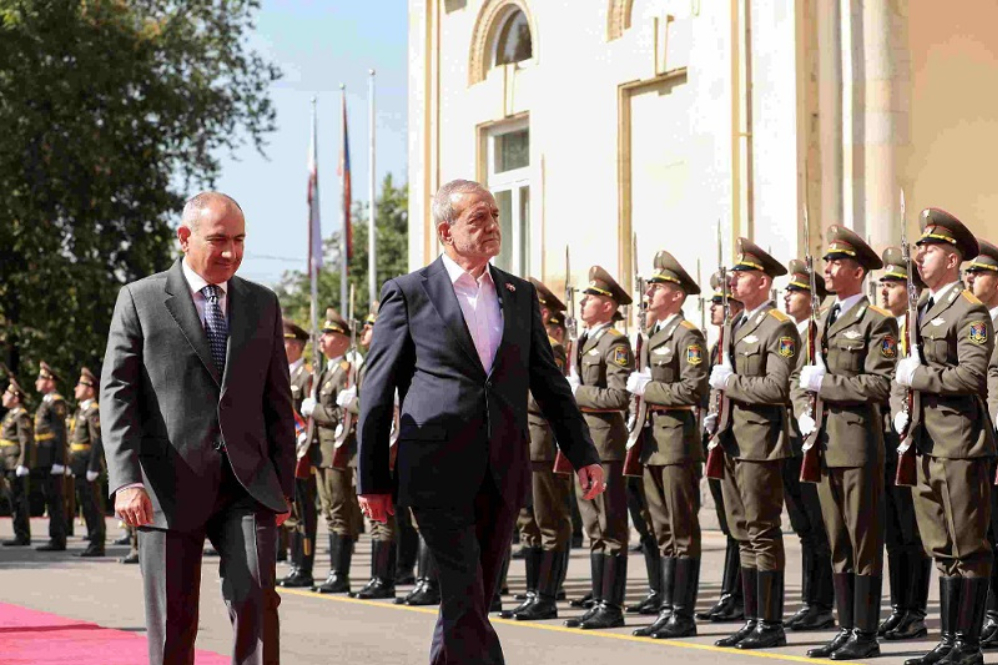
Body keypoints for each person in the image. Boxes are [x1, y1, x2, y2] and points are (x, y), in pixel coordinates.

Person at [357, 179, 604, 665]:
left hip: (502, 467)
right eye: (480, 219)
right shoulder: (409, 293)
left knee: (470, 599)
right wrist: (373, 479)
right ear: (447, 231)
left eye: (494, 215)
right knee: (464, 590)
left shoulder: (517, 293)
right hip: (435, 468)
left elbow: (548, 381)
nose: (493, 225)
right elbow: (376, 389)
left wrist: (582, 453)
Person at [100, 191, 295, 665]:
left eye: (240, 240)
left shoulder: (261, 303)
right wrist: (126, 481)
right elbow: (117, 394)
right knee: (173, 626)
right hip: (167, 490)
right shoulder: (141, 300)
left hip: (247, 487)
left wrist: (282, 487)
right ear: (184, 238)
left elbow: (278, 402)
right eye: (219, 240)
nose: (231, 252)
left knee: (257, 604)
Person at [892, 209, 994, 665]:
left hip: (958, 444)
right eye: (919, 248)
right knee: (942, 546)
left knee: (967, 545)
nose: (919, 255)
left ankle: (967, 646)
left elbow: (972, 376)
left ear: (952, 260)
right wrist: (901, 405)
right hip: (926, 443)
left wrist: (921, 375)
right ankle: (950, 641)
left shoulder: (969, 311)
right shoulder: (922, 310)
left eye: (928, 249)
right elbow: (906, 374)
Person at [791, 227, 894, 660]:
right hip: (822, 442)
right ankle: (846, 626)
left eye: (835, 263)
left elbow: (878, 383)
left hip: (857, 444)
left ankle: (865, 633)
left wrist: (827, 385)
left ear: (857, 271)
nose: (827, 270)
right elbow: (799, 377)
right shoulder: (820, 321)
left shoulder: (877, 321)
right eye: (826, 262)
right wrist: (801, 410)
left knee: (862, 538)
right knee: (836, 538)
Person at [709, 239, 799, 650]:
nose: (734, 279)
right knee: (743, 532)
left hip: (760, 441)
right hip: (730, 438)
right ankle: (752, 618)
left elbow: (777, 387)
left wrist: (732, 384)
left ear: (762, 281)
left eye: (742, 274)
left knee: (763, 532)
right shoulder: (735, 324)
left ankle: (770, 622)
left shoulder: (778, 326)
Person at [626, 251, 708, 639]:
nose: (650, 291)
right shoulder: (653, 335)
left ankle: (683, 613)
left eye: (657, 286)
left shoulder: (686, 335)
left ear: (676, 295)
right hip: (651, 442)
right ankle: (667, 607)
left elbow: (694, 388)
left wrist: (650, 389)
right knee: (661, 529)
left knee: (681, 528)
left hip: (676, 442)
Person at [563, 265, 634, 631]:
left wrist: (576, 392)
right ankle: (599, 599)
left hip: (605, 445)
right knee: (593, 526)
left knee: (610, 525)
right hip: (584, 445)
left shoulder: (615, 343)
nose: (584, 301)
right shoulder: (585, 341)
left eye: (591, 297)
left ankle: (612, 603)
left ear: (608, 305)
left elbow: (618, 395)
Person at [505, 279, 573, 621]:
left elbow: (548, 397)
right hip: (520, 443)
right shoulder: (521, 343)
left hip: (542, 445)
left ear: (541, 311)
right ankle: (533, 591)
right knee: (528, 522)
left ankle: (547, 594)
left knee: (550, 521)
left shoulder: (551, 348)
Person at [877, 247, 932, 642]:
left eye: (893, 283)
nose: (884, 289)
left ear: (911, 289)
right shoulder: (885, 328)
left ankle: (915, 610)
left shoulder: (916, 326)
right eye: (882, 282)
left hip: (913, 438)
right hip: (884, 437)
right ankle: (898, 608)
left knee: (913, 530)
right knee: (893, 531)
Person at [780, 260, 835, 632]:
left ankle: (822, 602)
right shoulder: (793, 332)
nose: (787, 295)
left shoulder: (814, 332)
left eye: (796, 290)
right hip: (788, 438)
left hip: (815, 438)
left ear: (814, 298)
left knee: (820, 527)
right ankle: (810, 600)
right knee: (803, 526)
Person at [300, 308, 360, 594]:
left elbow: (339, 415)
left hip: (336, 451)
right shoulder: (327, 371)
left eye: (328, 334)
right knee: (329, 510)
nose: (321, 339)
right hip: (321, 452)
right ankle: (335, 572)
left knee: (338, 510)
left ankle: (340, 573)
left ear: (343, 339)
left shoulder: (347, 372)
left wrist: (317, 410)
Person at [698, 272, 746, 623]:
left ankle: (740, 596)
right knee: (730, 521)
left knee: (743, 524)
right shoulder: (717, 342)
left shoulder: (734, 339)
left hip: (740, 437)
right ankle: (731, 593)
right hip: (716, 435)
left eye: (720, 300)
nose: (714, 306)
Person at [344, 308, 399, 601]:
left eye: (370, 326)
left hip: (390, 444)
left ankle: (387, 578)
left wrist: (354, 405)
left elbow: (377, 404)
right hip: (367, 446)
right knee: (375, 520)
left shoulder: (387, 360)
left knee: (386, 519)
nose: (365, 332)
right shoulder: (364, 364)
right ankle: (380, 576)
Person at [966, 238, 998, 650]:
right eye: (968, 271)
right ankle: (989, 614)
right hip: (975, 442)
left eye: (979, 271)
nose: (970, 277)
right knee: (983, 531)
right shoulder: (972, 322)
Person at [278, 320, 318, 589]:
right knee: (291, 514)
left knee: (304, 513)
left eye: (284, 341)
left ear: (295, 345)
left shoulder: (307, 376)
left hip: (302, 453)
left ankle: (304, 566)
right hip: (285, 453)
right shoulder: (281, 373)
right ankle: (294, 565)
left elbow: (308, 422)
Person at [69, 367, 106, 557]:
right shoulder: (81, 411)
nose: (76, 388)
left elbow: (97, 440)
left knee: (93, 505)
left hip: (88, 466)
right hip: (80, 465)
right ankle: (93, 540)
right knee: (86, 503)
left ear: (90, 389)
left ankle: (97, 542)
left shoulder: (93, 411)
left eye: (80, 384)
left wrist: (93, 466)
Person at [33, 361, 69, 552]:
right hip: (44, 457)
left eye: (40, 378)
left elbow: (61, 433)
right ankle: (55, 537)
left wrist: (59, 461)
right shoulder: (45, 402)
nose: (36, 382)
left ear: (50, 381)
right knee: (51, 498)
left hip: (52, 458)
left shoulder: (56, 401)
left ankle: (58, 539)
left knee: (56, 499)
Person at [1, 376, 33, 547]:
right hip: (7, 463)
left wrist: (23, 463)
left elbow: (25, 440)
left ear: (15, 397)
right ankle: (19, 533)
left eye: (6, 393)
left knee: (18, 500)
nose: (3, 396)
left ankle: (23, 535)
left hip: (14, 463)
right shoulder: (10, 415)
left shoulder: (21, 414)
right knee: (13, 500)